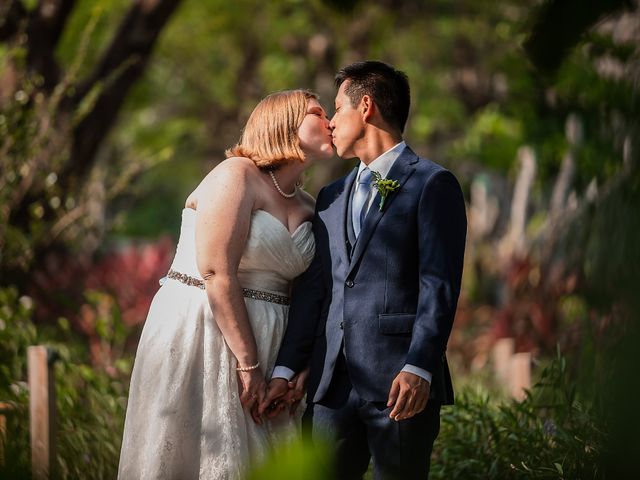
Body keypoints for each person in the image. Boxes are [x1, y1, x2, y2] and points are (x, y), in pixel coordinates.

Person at [263, 61, 467, 479]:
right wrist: (287, 368)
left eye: (338, 109)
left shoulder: (432, 183)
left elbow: (439, 285)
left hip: (399, 385)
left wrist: (419, 366)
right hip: (329, 387)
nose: (331, 123)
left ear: (367, 105)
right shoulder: (330, 195)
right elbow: (315, 290)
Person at [117, 89, 333, 479]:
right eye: (318, 113)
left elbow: (310, 292)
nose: (330, 121)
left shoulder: (309, 206)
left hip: (273, 344)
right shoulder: (237, 175)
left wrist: (296, 365)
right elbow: (216, 271)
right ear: (282, 122)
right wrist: (248, 363)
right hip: (207, 331)